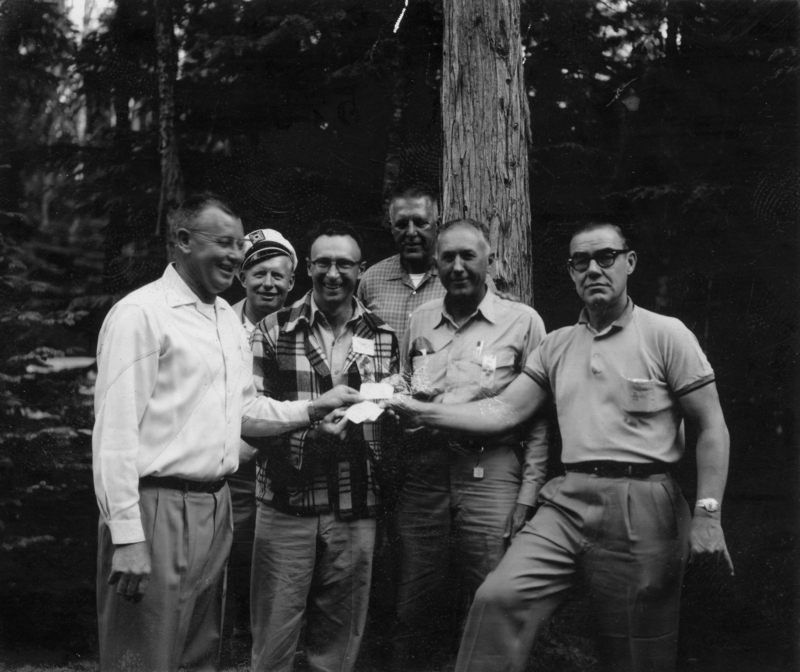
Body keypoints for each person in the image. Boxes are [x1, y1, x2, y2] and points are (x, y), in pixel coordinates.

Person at [386, 221, 733, 672]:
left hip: (644, 500)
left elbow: (711, 426)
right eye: (580, 262)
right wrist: (421, 412)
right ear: (571, 273)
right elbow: (505, 412)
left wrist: (708, 515)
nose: (593, 269)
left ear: (629, 262)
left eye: (605, 257)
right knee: (497, 597)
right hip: (568, 499)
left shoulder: (666, 333)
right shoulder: (556, 345)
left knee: (636, 649)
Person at [92, 194, 359, 672]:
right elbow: (113, 436)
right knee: (142, 658)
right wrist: (127, 535)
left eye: (240, 244)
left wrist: (315, 407)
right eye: (224, 243)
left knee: (199, 655)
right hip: (156, 509)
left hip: (215, 509)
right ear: (183, 242)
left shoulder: (226, 321)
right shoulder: (141, 314)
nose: (236, 256)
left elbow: (246, 410)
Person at [392, 218, 549, 670]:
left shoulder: (523, 323)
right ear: (436, 263)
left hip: (493, 472)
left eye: (468, 256)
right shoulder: (421, 319)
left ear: (490, 261)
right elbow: (413, 384)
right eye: (448, 257)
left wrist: (528, 494)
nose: (458, 267)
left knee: (493, 597)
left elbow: (539, 420)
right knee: (414, 599)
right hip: (425, 476)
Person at [249, 221, 400, 672]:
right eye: (324, 263)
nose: (333, 274)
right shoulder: (272, 331)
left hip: (356, 507)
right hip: (286, 505)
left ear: (362, 270)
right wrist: (309, 438)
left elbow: (389, 418)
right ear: (309, 268)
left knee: (336, 647)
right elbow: (250, 418)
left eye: (345, 264)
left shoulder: (384, 336)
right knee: (273, 642)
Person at [225, 228, 298, 647]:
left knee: (271, 560)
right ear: (242, 277)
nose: (268, 284)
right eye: (258, 273)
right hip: (233, 464)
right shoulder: (220, 322)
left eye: (277, 275)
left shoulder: (297, 328)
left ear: (291, 281)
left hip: (282, 460)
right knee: (230, 553)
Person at [358, 188, 496, 346]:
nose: (410, 232)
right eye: (402, 224)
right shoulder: (371, 280)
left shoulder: (471, 279)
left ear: (437, 225)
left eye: (420, 223)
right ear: (391, 227)